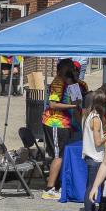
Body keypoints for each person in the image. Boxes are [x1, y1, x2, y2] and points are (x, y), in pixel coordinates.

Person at [41, 59, 82, 199]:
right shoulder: (58, 82)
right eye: (70, 67)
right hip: (55, 122)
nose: (73, 69)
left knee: (62, 154)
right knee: (58, 155)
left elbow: (78, 103)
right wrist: (72, 107)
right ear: (63, 68)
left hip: (66, 123)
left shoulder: (73, 84)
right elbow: (52, 104)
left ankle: (58, 183)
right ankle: (49, 188)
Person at [81, 92, 106, 211]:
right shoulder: (95, 118)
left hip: (92, 157)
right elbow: (97, 142)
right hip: (95, 157)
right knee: (92, 187)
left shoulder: (89, 115)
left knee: (92, 186)